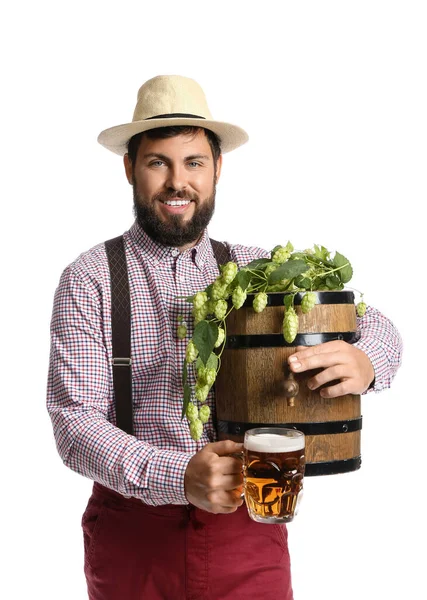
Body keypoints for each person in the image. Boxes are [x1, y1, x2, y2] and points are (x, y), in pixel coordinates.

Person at [47, 75, 402, 600]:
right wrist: (179, 474)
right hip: (132, 537)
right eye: (157, 162)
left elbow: (373, 321)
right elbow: (75, 424)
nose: (177, 182)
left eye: (193, 162)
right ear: (129, 169)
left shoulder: (258, 272)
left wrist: (366, 359)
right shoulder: (91, 278)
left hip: (251, 529)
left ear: (216, 169)